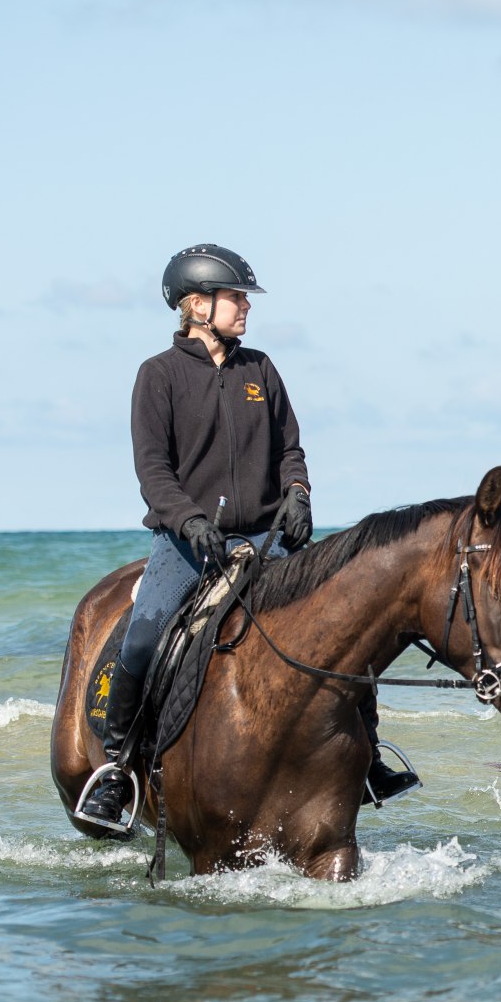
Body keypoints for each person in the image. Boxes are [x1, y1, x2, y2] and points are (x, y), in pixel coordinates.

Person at [76, 244, 416, 833]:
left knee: (343, 628)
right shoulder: (158, 375)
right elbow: (153, 470)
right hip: (187, 542)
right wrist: (189, 521)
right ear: (195, 305)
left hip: (267, 537)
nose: (245, 307)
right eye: (235, 297)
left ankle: (368, 760)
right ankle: (117, 769)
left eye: (243, 298)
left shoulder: (260, 369)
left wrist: (297, 492)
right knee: (143, 639)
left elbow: (290, 448)